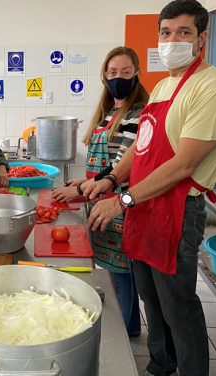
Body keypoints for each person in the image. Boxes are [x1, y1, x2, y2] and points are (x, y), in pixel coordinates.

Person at [83, 1, 216, 375]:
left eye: (183, 32)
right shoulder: (166, 84)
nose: (173, 40)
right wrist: (111, 178)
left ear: (202, 37)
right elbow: (142, 146)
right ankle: (161, 363)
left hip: (178, 210)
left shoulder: (210, 87)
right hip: (146, 206)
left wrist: (123, 200)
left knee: (178, 305)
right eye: (166, 33)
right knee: (150, 297)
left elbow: (184, 163)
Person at [52, 46, 149, 337]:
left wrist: (82, 188)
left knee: (119, 275)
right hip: (100, 203)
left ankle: (121, 336)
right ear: (104, 76)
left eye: (125, 72)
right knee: (118, 274)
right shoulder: (109, 111)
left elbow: (123, 165)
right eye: (112, 72)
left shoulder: (138, 113)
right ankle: (129, 328)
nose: (118, 77)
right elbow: (101, 164)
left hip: (120, 209)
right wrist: (81, 184)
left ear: (137, 75)